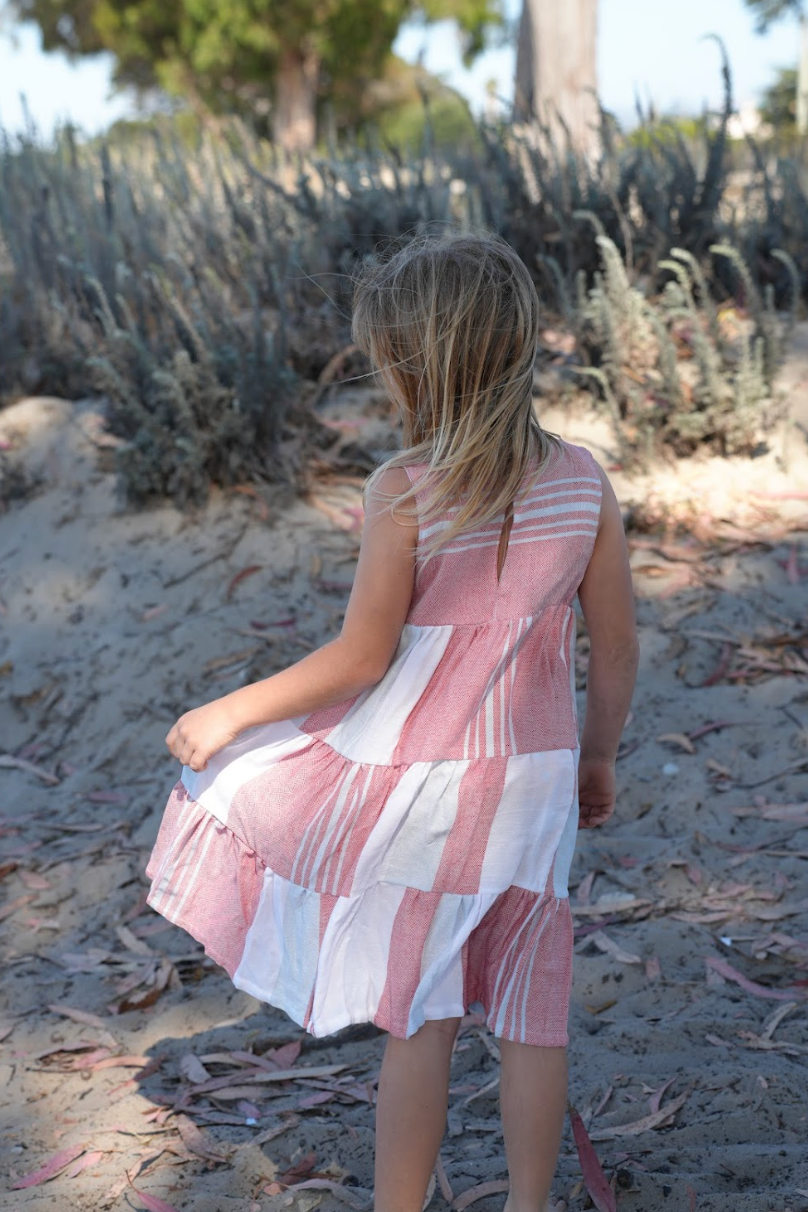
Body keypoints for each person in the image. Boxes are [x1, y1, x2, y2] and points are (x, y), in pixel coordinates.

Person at [146, 230, 639, 1212]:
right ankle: (530, 1204)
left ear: (418, 366)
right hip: (534, 778)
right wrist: (596, 760)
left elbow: (359, 659)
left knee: (425, 1016)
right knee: (533, 1013)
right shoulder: (582, 480)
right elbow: (616, 649)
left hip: (433, 786)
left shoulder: (407, 488)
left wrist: (229, 711)